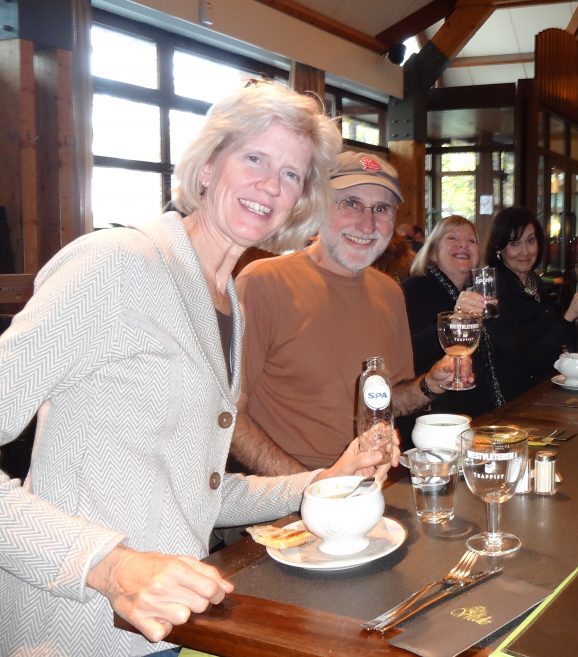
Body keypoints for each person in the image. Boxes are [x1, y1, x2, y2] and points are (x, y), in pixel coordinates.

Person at [0, 83, 397, 657]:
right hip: (76, 628)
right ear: (208, 165)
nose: (270, 185)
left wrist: (322, 482)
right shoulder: (116, 264)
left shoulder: (228, 301)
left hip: (178, 623)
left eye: (290, 174)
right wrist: (109, 566)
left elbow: (196, 489)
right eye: (254, 158)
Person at [230, 151, 462, 475]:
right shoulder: (262, 283)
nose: (367, 224)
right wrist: (316, 487)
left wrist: (430, 384)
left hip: (371, 486)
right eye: (351, 203)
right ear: (318, 207)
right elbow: (228, 414)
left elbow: (386, 400)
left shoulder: (389, 293)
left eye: (381, 209)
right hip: (289, 498)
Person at [481, 207, 578, 401]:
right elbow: (526, 362)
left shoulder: (534, 282)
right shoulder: (494, 291)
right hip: (516, 400)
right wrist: (569, 317)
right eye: (515, 243)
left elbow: (558, 340)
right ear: (499, 248)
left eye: (530, 241)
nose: (525, 251)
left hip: (547, 387)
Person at [401, 215, 503, 420]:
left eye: (471, 241)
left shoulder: (476, 295)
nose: (463, 245)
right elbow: (408, 353)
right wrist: (455, 320)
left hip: (476, 413)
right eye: (452, 238)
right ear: (433, 253)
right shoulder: (413, 290)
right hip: (433, 416)